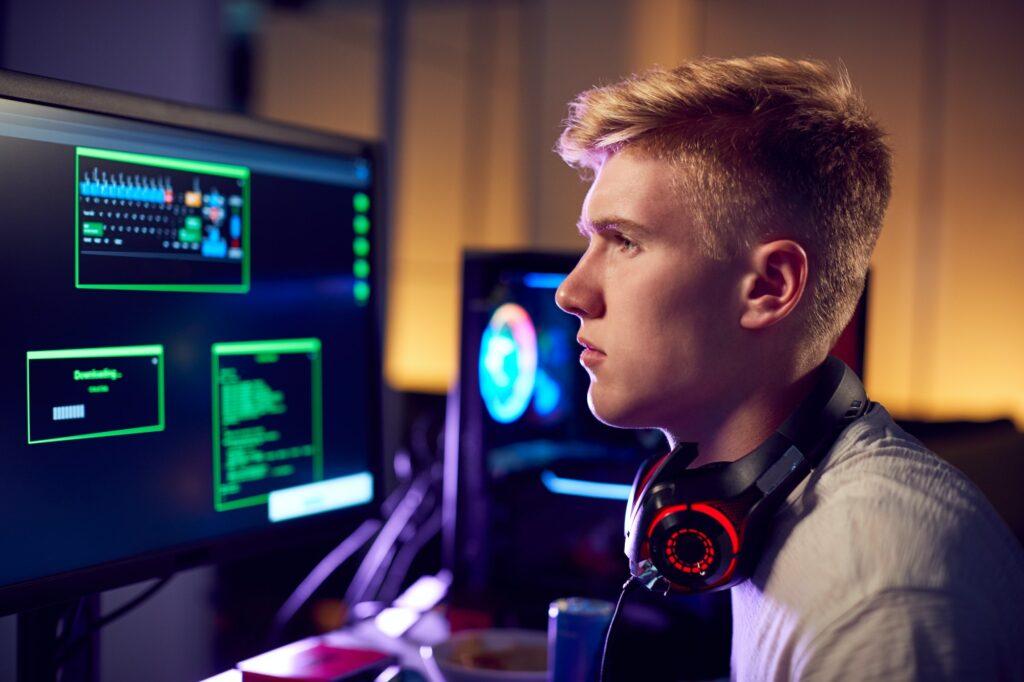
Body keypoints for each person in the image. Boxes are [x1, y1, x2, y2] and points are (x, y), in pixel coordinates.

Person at [553, 56, 1024, 680]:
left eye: (626, 241)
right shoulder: (774, 504)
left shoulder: (875, 594)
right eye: (591, 239)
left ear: (770, 287)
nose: (571, 292)